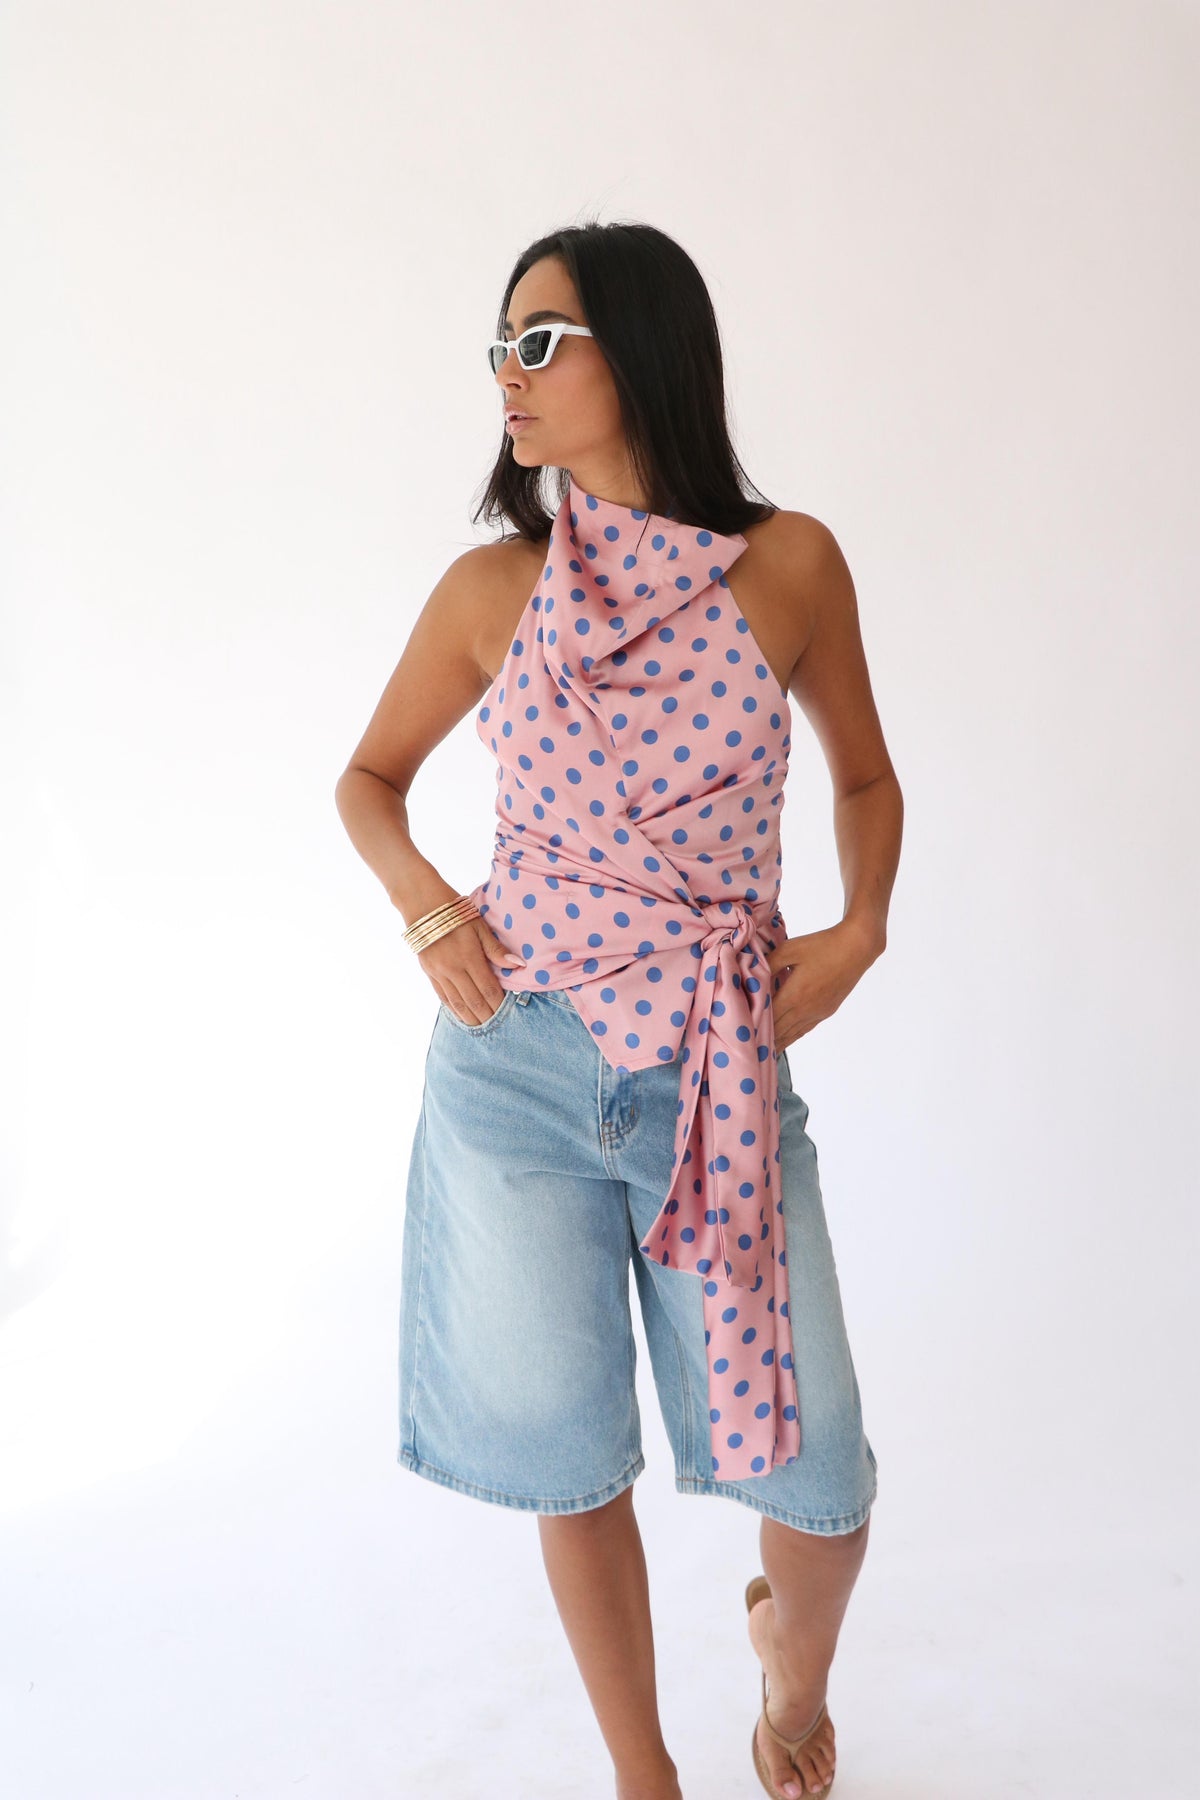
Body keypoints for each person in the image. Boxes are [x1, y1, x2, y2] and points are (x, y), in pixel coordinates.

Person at [334, 220, 903, 1800]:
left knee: (823, 1482)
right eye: (498, 348)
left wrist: (861, 930)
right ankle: (643, 1774)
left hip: (718, 1072)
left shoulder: (790, 567)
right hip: (515, 1075)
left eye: (541, 341)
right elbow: (368, 781)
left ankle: (790, 1667)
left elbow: (864, 775)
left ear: (642, 348)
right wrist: (429, 908)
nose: (506, 376)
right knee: (570, 1454)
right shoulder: (491, 589)